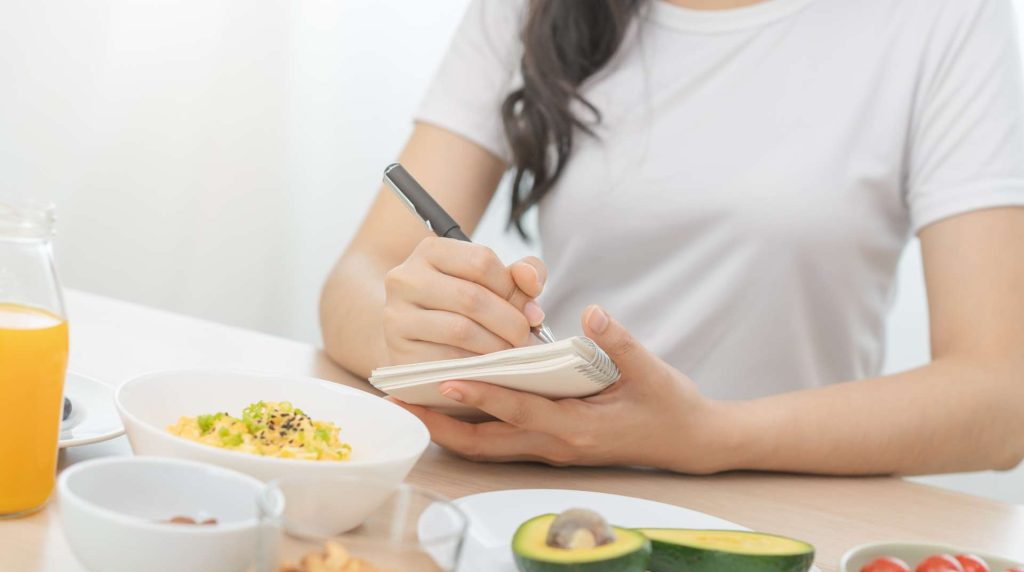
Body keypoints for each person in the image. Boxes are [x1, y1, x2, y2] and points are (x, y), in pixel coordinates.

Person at [320, 0, 1024, 475]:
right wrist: (419, 340)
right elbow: (360, 274)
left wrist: (711, 435)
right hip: (538, 490)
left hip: (788, 513)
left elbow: (1000, 398)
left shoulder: (944, 19)